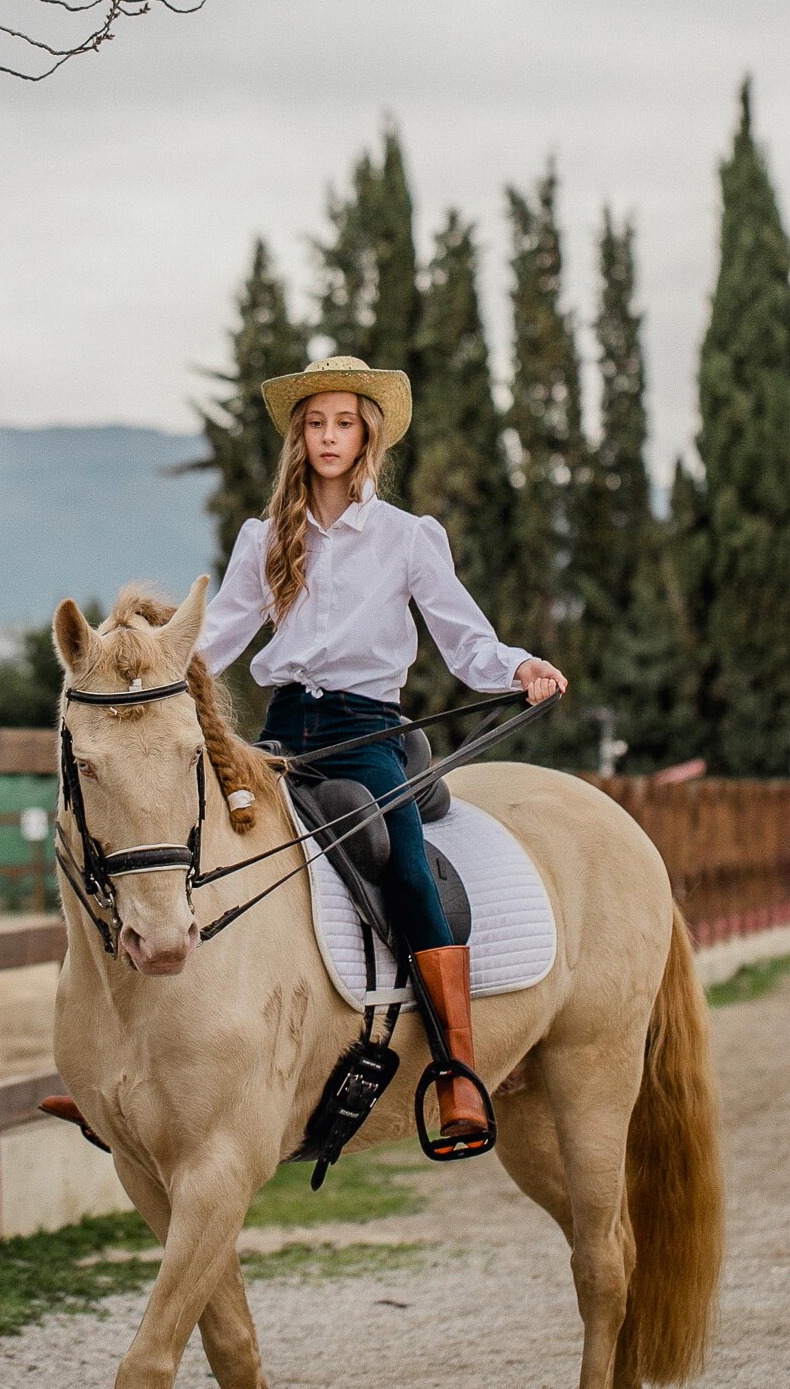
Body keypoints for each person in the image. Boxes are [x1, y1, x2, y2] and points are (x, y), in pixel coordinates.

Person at [199, 354, 566, 1145]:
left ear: (366, 433)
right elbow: (216, 638)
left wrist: (518, 666)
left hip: (368, 733)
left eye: (344, 421)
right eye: (317, 422)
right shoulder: (264, 537)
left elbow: (464, 638)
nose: (329, 435)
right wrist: (149, 672)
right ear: (301, 435)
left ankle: (458, 1075)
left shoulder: (408, 537)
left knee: (402, 865)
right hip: (282, 732)